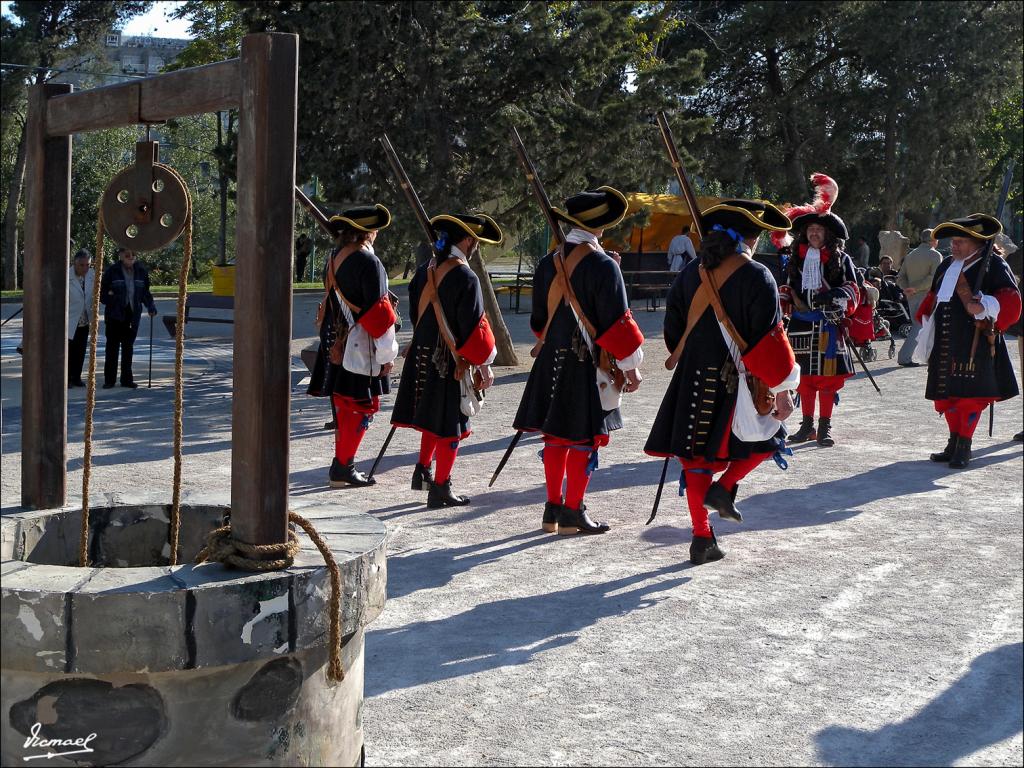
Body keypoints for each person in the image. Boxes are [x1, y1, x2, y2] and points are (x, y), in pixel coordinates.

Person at [646, 199, 798, 564]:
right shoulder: (757, 274)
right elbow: (770, 341)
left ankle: (702, 538)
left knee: (695, 460)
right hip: (740, 382)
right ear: (752, 237)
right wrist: (782, 388)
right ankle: (726, 486)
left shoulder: (689, 274)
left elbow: (672, 333)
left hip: (693, 380)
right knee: (769, 441)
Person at [513, 186, 644, 535]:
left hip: (552, 361)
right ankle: (573, 511)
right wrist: (631, 367)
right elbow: (618, 324)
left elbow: (538, 323)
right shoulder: (602, 264)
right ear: (600, 225)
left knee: (554, 437)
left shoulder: (547, 264)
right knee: (583, 441)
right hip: (586, 364)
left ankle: (552, 510)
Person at [391, 213, 501, 507]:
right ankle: (441, 487)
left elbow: (417, 314)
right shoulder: (465, 276)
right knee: (451, 424)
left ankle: (423, 470)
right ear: (466, 241)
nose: (475, 245)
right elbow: (474, 329)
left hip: (424, 353)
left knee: (432, 419)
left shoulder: (424, 270)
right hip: (449, 359)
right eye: (474, 241)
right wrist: (484, 365)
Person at [914, 214, 1020, 468]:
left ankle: (965, 445)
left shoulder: (993, 265)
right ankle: (953, 442)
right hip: (946, 340)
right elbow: (935, 295)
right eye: (954, 241)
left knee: (970, 398)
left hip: (977, 341)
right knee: (946, 395)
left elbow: (1012, 300)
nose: (954, 246)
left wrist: (985, 305)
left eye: (961, 241)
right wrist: (926, 313)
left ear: (977, 244)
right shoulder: (947, 265)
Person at [306, 205, 398, 487]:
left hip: (336, 340)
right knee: (362, 408)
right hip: (361, 345)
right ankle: (344, 466)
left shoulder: (333, 258)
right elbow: (379, 315)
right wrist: (387, 354)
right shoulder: (370, 263)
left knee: (344, 407)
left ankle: (342, 464)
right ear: (369, 232)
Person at [773, 173, 860, 447]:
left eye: (818, 230)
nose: (813, 233)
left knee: (827, 380)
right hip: (800, 324)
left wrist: (835, 296)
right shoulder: (795, 261)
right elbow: (787, 287)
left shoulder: (841, 259)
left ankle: (825, 427)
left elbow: (854, 289)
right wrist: (782, 300)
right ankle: (807, 426)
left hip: (827, 326)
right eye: (809, 229)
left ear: (827, 234)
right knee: (805, 379)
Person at [100, 247, 157, 389]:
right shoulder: (112, 271)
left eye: (133, 254)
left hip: (132, 315)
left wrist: (150, 305)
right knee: (112, 348)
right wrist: (113, 300)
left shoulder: (141, 272)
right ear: (120, 255)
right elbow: (102, 293)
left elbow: (145, 292)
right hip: (114, 315)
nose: (130, 257)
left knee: (128, 348)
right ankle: (109, 380)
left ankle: (127, 379)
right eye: (127, 254)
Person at [896, 228, 942, 366]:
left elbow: (900, 277)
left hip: (912, 296)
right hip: (927, 295)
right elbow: (934, 278)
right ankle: (904, 357)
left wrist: (907, 289)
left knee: (922, 326)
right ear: (933, 240)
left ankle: (929, 356)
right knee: (921, 326)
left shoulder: (911, 255)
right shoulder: (935, 255)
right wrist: (914, 288)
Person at [67, 249, 95, 388]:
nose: (85, 268)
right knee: (68, 351)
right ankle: (66, 378)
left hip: (84, 320)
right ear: (75, 263)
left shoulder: (92, 275)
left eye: (87, 265)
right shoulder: (66, 276)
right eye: (81, 265)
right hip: (70, 320)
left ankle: (76, 377)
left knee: (80, 350)